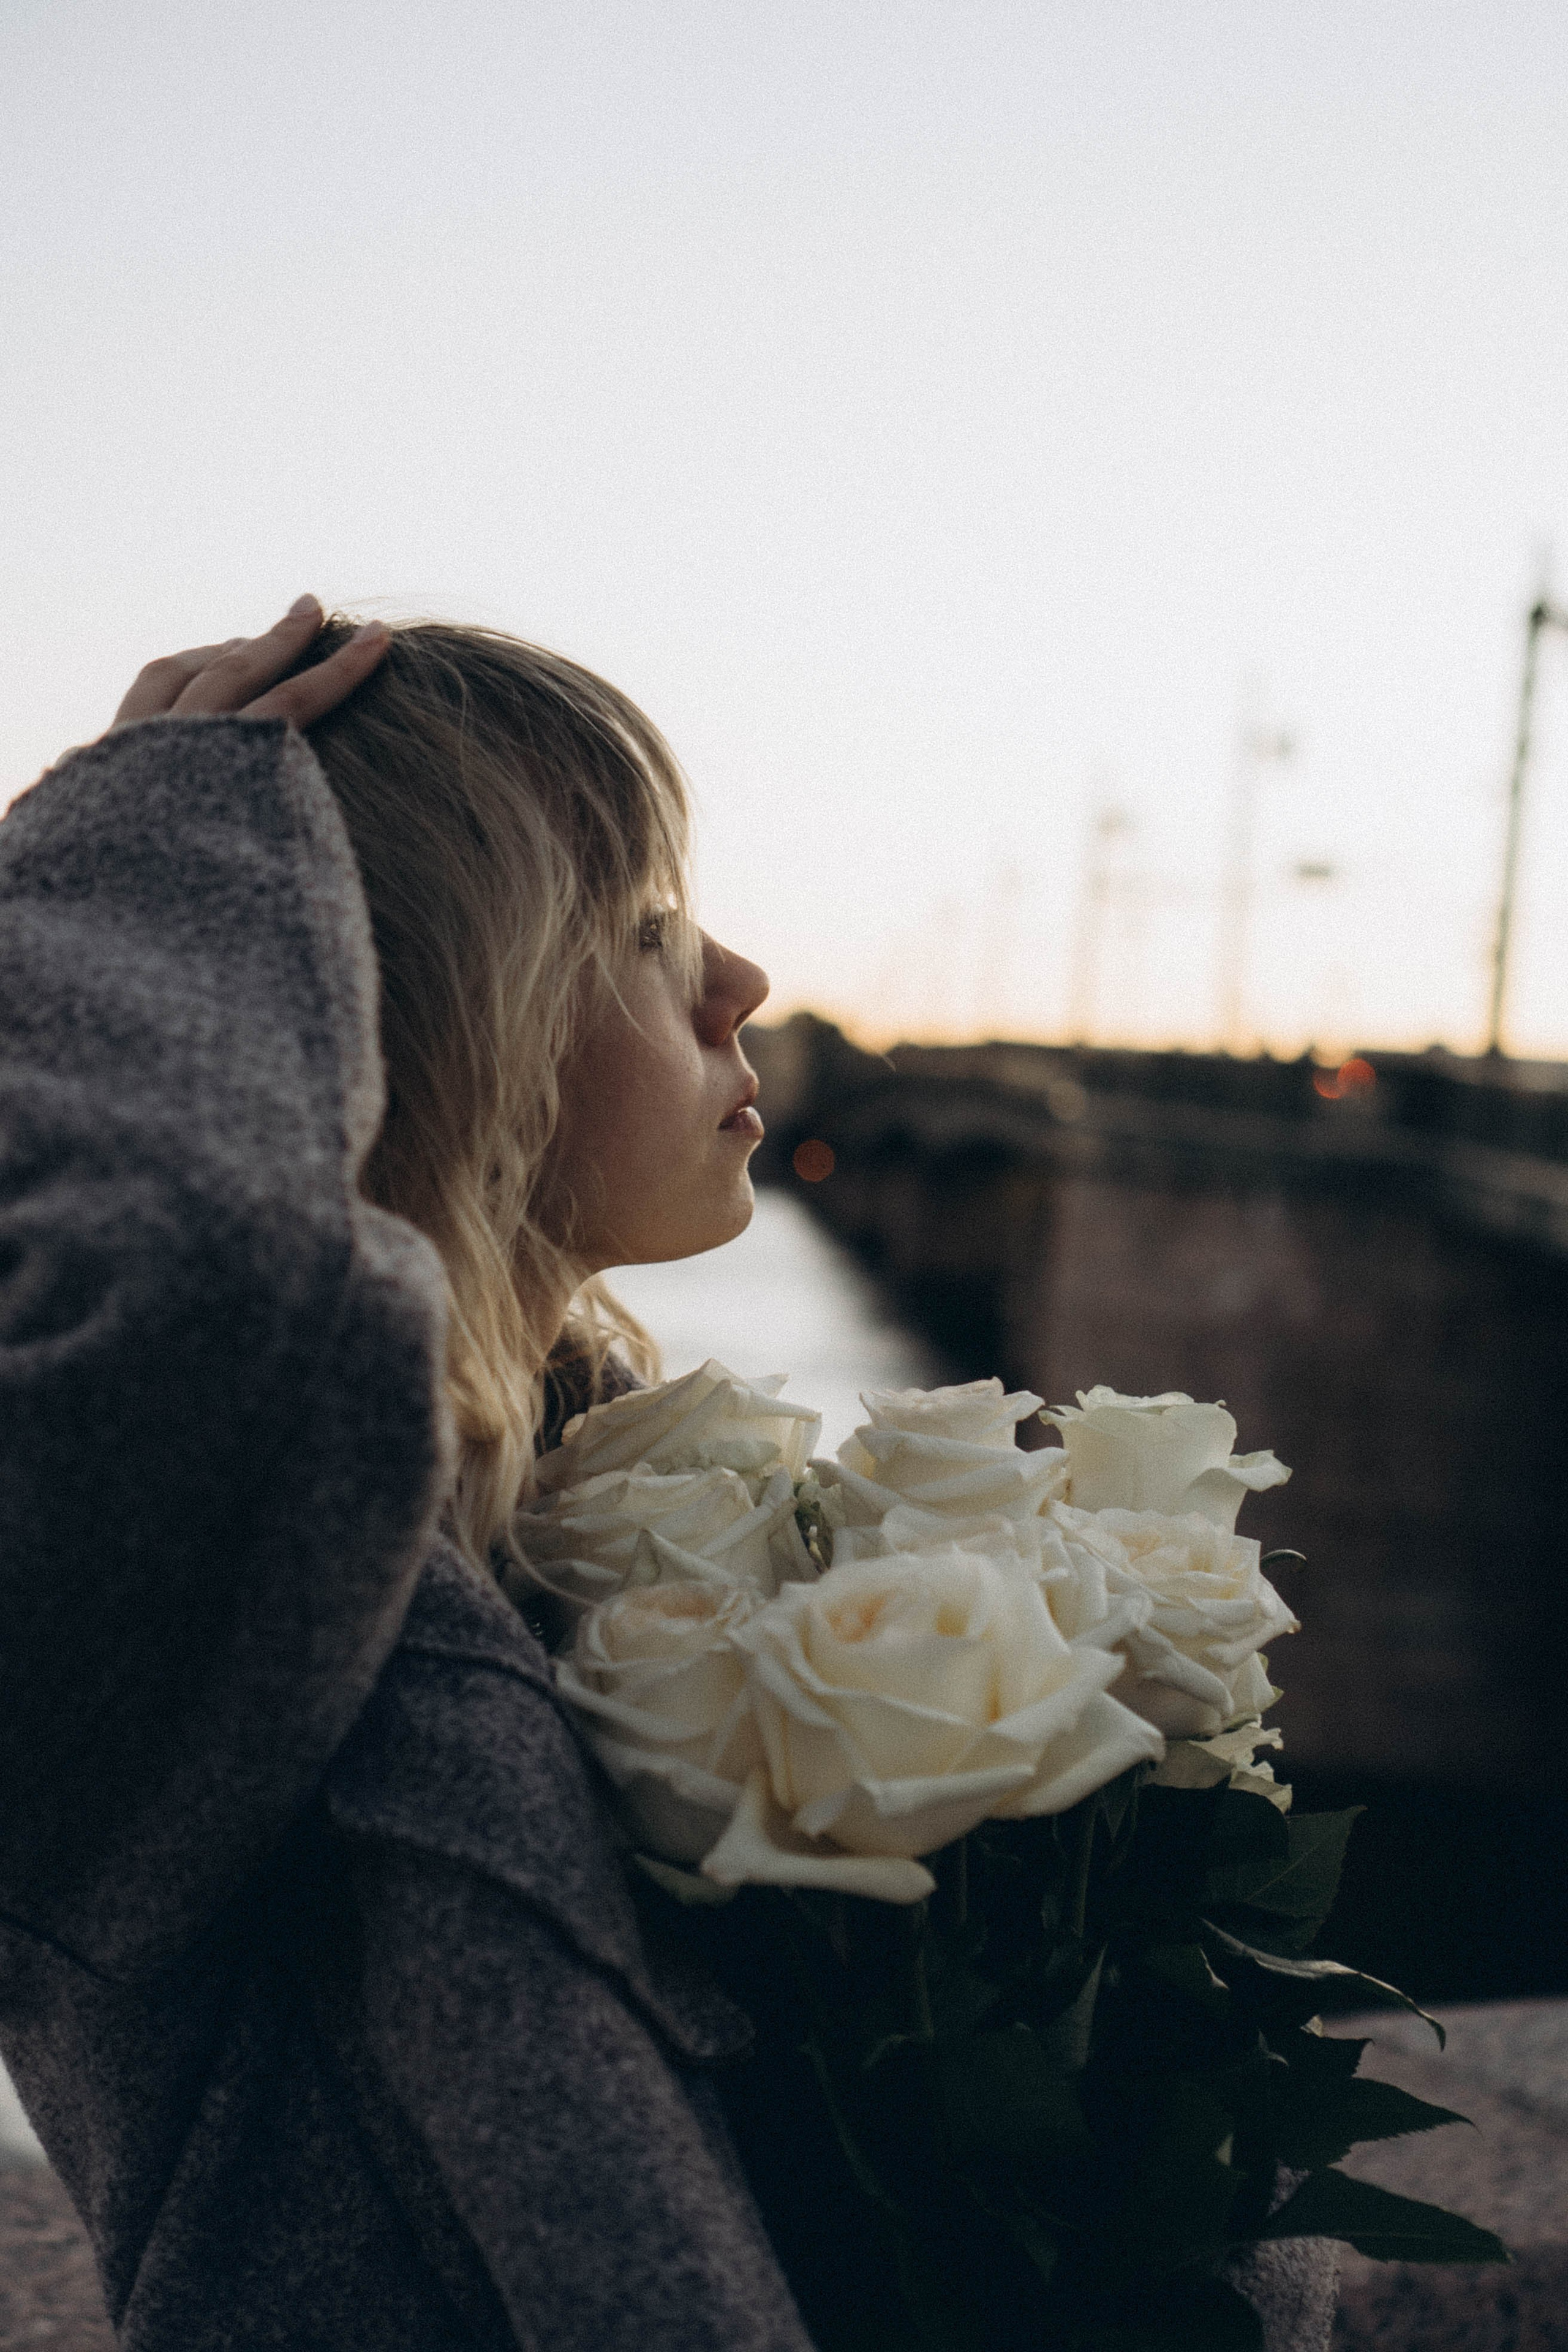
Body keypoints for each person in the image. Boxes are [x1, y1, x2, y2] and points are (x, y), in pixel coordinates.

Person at [0, 598, 813, 2351]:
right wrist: (138, 864)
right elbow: (213, 1284)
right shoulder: (244, 1573)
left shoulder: (577, 1498)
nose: (738, 979)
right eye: (644, 924)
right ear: (431, 1022)